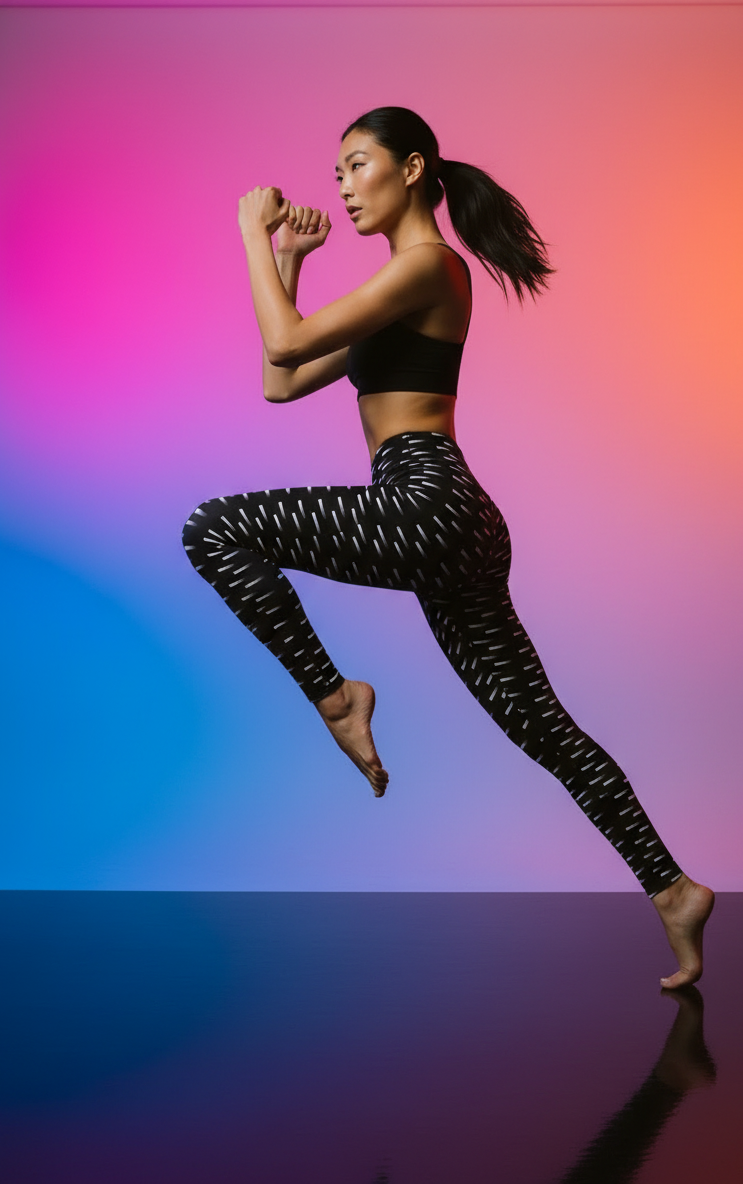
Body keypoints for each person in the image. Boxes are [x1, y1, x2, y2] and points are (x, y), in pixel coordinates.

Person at [182, 106, 714, 988]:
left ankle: (337, 696)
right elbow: (281, 379)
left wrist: (246, 228)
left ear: (415, 167)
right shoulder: (395, 285)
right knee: (540, 725)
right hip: (450, 519)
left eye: (358, 165)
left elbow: (284, 339)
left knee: (216, 527)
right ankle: (674, 890)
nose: (344, 184)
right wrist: (288, 260)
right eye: (339, 170)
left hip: (427, 501)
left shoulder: (428, 266)